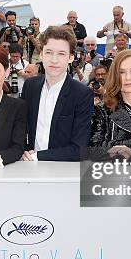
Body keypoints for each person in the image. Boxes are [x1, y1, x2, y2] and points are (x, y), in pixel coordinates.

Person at [21, 25, 94, 161]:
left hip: (62, 171)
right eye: (49, 52)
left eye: (61, 54)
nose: (54, 60)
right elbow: (22, 128)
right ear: (41, 55)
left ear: (71, 57)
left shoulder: (82, 94)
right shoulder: (30, 86)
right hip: (28, 168)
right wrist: (24, 151)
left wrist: (36, 156)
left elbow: (79, 148)